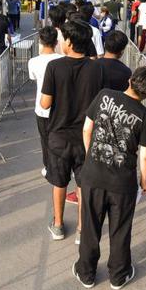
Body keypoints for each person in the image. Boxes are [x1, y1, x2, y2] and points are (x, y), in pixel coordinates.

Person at [73, 66, 146, 290]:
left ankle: (86, 273)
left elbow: (87, 129)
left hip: (92, 175)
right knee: (120, 229)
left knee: (90, 225)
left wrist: (90, 158)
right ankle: (119, 275)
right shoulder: (145, 116)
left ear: (130, 80)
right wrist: (145, 179)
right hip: (122, 183)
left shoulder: (104, 95)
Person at [40, 20, 104, 242]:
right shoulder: (97, 68)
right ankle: (81, 229)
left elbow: (45, 103)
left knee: (59, 182)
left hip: (58, 136)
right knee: (83, 184)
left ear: (69, 41)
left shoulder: (54, 67)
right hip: (87, 137)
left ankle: (58, 225)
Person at [29, 27, 64, 179]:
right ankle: (62, 165)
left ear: (40, 41)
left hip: (42, 107)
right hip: (61, 107)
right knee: (61, 138)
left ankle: (49, 166)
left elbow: (34, 78)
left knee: (45, 139)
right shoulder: (63, 60)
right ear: (56, 42)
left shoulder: (33, 61)